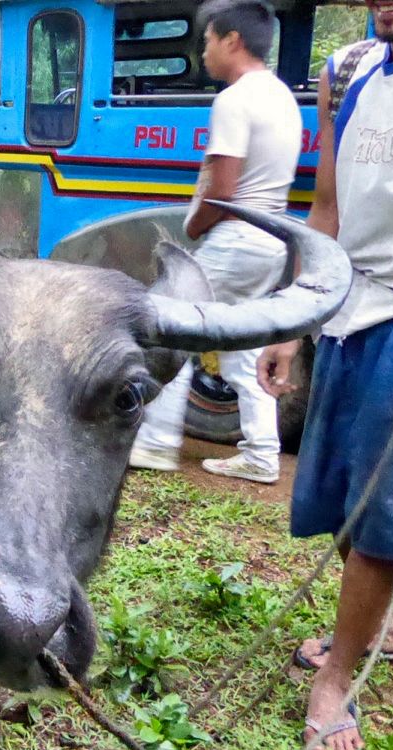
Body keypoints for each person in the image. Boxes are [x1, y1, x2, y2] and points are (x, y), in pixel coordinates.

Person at [259, 0, 393, 750]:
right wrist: (292, 321)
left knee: (383, 499)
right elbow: (327, 209)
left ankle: (337, 680)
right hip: (350, 305)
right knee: (345, 486)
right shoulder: (345, 72)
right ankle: (383, 623)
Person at [128, 0, 300, 484]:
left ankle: (157, 442)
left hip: (236, 238)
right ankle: (263, 455)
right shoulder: (281, 96)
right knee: (241, 349)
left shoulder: (235, 99)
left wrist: (196, 225)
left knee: (176, 328)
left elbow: (223, 189)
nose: (203, 51)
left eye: (207, 41)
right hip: (272, 242)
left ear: (232, 40)